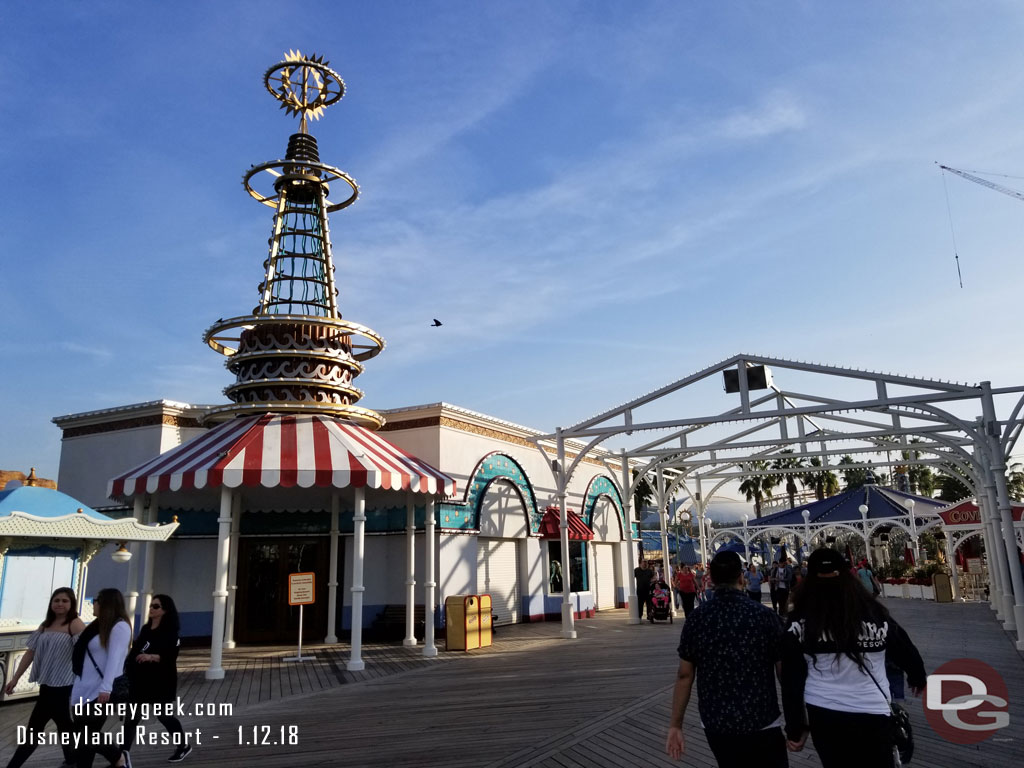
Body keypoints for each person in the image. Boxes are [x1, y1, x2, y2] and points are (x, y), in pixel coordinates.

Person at [781, 548, 927, 767]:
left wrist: (795, 727)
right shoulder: (873, 613)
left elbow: (791, 678)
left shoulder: (799, 621)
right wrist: (917, 676)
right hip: (872, 709)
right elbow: (903, 646)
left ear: (808, 579)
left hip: (824, 711)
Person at [665, 551, 788, 767]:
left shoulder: (697, 619)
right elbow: (784, 671)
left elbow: (685, 675)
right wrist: (797, 721)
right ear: (741, 578)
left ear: (711, 579)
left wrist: (676, 725)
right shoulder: (764, 615)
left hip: (717, 721)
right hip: (761, 717)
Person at [4, 587, 86, 768]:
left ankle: (13, 765)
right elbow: (30, 652)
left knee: (37, 728)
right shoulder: (46, 624)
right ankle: (75, 759)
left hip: (63, 683)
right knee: (64, 725)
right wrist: (15, 678)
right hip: (46, 682)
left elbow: (85, 653)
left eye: (65, 601)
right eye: (56, 600)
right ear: (51, 603)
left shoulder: (75, 624)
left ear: (71, 604)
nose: (60, 604)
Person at [123, 595, 192, 762]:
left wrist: (152, 657)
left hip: (161, 680)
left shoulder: (171, 633)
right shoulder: (146, 629)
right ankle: (122, 755)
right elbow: (135, 651)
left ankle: (183, 746)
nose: (151, 609)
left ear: (165, 610)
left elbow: (171, 657)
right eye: (151, 605)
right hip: (140, 680)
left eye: (156, 606)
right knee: (132, 717)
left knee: (164, 715)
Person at [71, 588, 133, 768]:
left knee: (87, 735)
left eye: (97, 600)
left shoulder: (119, 626)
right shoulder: (96, 626)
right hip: (84, 687)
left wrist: (105, 688)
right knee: (84, 738)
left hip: (100, 691)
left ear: (106, 603)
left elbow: (115, 659)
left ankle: (118, 757)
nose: (93, 603)